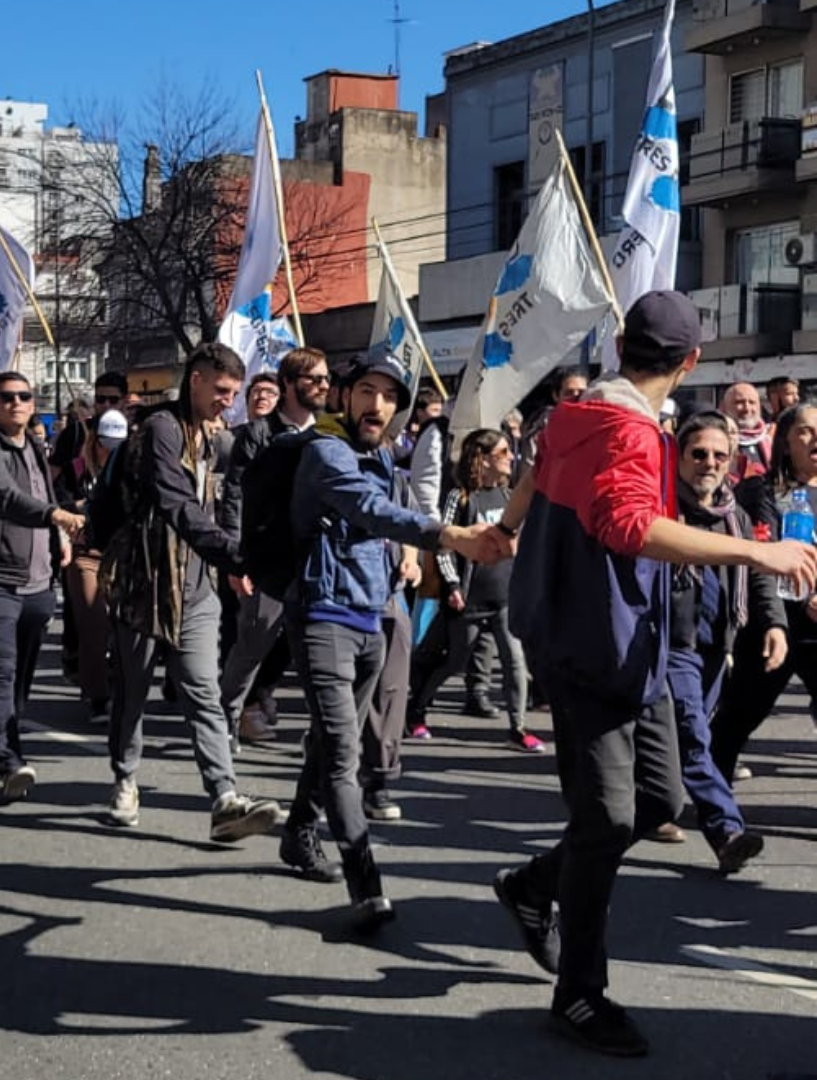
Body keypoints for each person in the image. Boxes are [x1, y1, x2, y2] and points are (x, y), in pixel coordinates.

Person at [492, 291, 817, 1057]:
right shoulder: (625, 429)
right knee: (606, 819)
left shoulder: (573, 414)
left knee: (662, 798)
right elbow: (629, 525)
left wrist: (503, 530)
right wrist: (756, 552)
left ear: (619, 346)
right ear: (690, 362)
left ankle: (533, 885)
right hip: (590, 646)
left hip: (617, 639)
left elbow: (537, 475)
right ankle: (578, 995)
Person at [280, 346, 500, 926]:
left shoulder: (382, 459)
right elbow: (370, 510)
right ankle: (365, 884)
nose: (378, 404)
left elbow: (395, 515)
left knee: (334, 742)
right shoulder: (325, 452)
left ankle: (299, 830)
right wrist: (447, 535)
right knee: (343, 752)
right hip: (323, 615)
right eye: (368, 391)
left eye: (390, 396)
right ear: (345, 396)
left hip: (374, 617)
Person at [103, 343, 283, 841]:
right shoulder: (161, 430)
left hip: (197, 587)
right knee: (133, 691)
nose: (230, 401)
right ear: (197, 380)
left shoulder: (215, 438)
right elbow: (177, 505)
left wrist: (237, 555)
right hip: (145, 581)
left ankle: (224, 798)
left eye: (235, 393)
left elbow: (232, 495)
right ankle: (125, 777)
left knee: (203, 690)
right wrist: (234, 555)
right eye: (223, 391)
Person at [656, 411, 777, 873]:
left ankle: (648, 805)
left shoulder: (735, 514)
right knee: (693, 733)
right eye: (699, 454)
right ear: (680, 457)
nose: (709, 463)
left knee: (687, 734)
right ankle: (726, 830)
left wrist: (774, 625)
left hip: (716, 644)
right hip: (671, 643)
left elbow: (759, 572)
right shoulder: (664, 510)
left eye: (719, 456)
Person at [0, 371, 84, 797]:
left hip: (38, 584)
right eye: (5, 397)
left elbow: (45, 493)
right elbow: (2, 495)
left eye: (23, 396)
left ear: (33, 404)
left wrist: (58, 536)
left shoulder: (34, 446)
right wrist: (55, 517)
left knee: (21, 679)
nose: (14, 403)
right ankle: (11, 760)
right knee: (1, 673)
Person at [218, 348, 332, 745]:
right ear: (288, 384)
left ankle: (322, 736)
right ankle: (225, 720)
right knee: (251, 646)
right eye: (312, 379)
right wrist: (236, 560)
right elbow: (234, 499)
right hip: (268, 563)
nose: (322, 386)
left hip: (319, 564)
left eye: (325, 380)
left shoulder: (332, 434)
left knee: (315, 651)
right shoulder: (256, 436)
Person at [406, 428, 542, 752]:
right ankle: (417, 709)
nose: (511, 458)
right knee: (455, 660)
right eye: (503, 452)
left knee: (515, 663)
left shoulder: (510, 497)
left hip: (504, 598)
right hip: (468, 600)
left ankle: (518, 727)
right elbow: (445, 546)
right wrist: (452, 584)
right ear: (482, 459)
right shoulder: (461, 497)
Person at [712, 401, 817, 783]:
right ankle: (712, 792)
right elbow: (759, 559)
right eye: (805, 430)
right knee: (741, 713)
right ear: (786, 442)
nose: (815, 439)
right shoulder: (765, 492)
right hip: (775, 625)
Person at [55, 408, 127, 722]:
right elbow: (57, 504)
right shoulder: (76, 468)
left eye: (118, 443)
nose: (111, 449)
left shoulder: (130, 466)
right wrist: (84, 505)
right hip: (85, 553)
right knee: (93, 622)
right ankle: (98, 695)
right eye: (106, 442)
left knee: (122, 626)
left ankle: (119, 688)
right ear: (94, 440)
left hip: (122, 554)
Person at [720, 381, 770, 482]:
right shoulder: (716, 440)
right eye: (739, 402)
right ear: (724, 407)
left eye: (752, 402)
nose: (747, 408)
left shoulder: (770, 438)